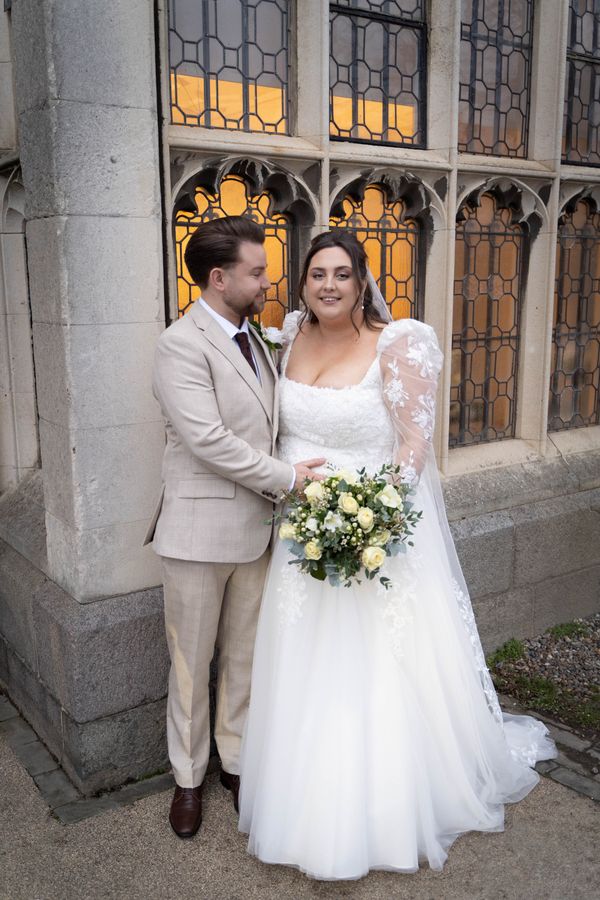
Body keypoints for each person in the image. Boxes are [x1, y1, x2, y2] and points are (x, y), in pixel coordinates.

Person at [238, 230, 556, 879]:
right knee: (305, 665)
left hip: (373, 537)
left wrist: (374, 518)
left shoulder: (399, 342)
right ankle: (302, 798)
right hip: (301, 534)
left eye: (341, 274)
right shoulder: (290, 334)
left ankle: (385, 807)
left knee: (375, 667)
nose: (328, 284)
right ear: (303, 284)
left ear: (361, 281)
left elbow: (413, 444)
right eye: (316, 273)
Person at [144, 215, 324, 839]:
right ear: (219, 278)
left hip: (258, 533)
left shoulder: (262, 339)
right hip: (196, 535)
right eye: (256, 271)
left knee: (244, 659)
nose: (267, 280)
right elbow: (208, 440)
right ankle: (187, 780)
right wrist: (288, 478)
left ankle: (237, 763)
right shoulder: (180, 344)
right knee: (191, 666)